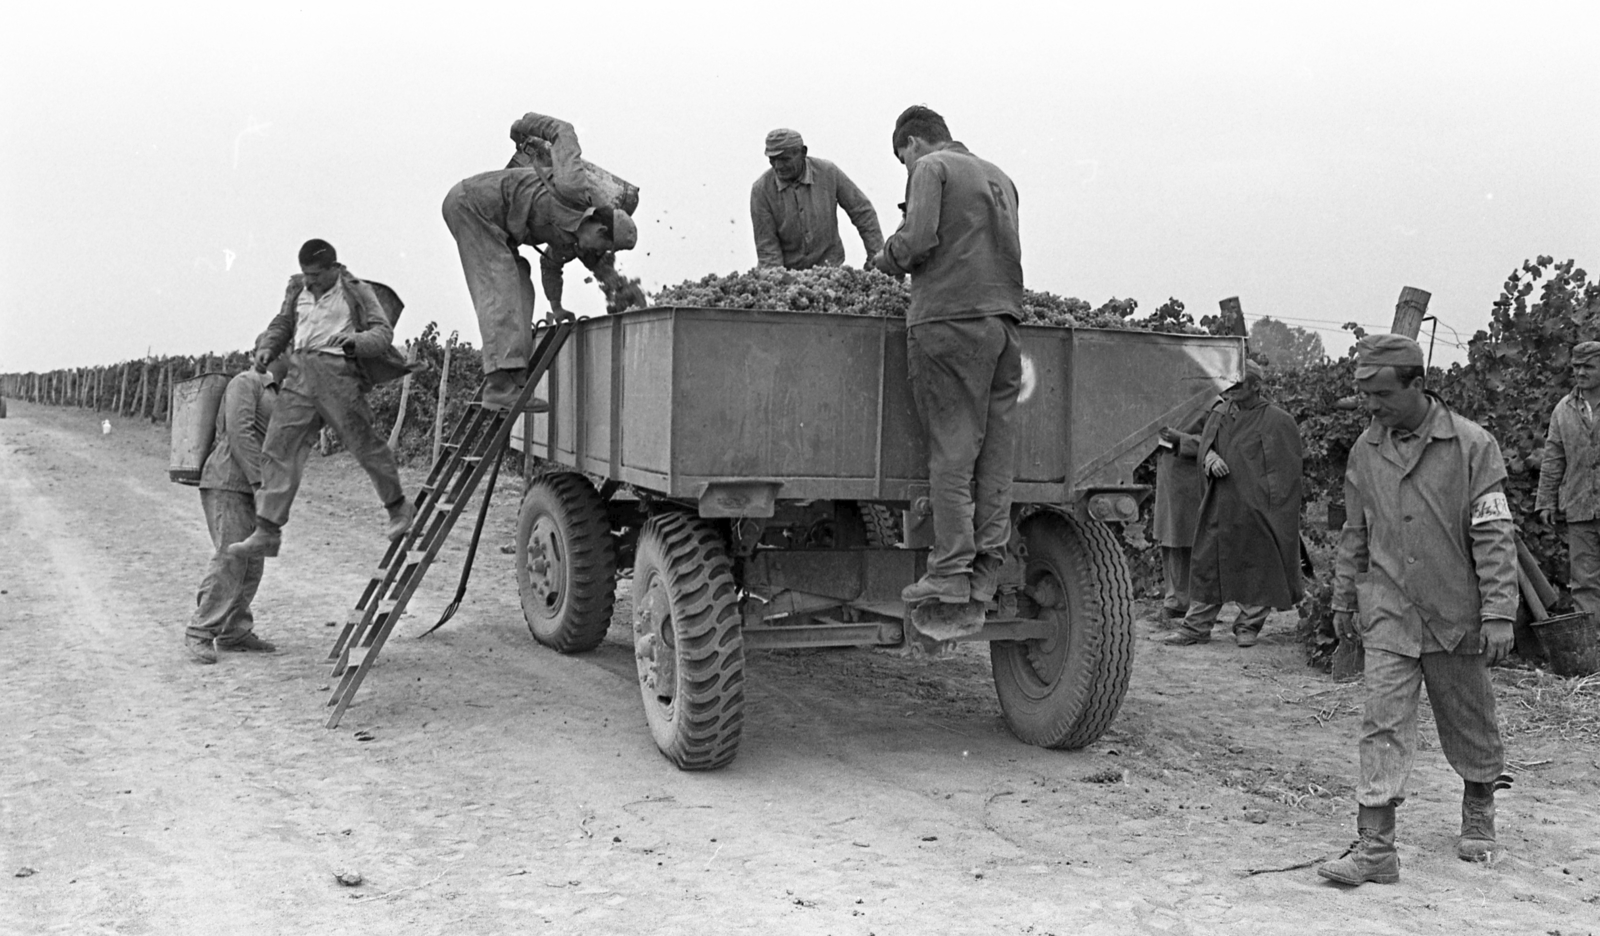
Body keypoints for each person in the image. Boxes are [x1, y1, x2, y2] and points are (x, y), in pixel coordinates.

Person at [1318, 334, 1517, 886]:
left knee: (1469, 720)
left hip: (1456, 614)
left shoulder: (1474, 446)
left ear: (1417, 384)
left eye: (1382, 394)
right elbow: (1356, 532)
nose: (1373, 407)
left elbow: (1495, 535)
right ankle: (1376, 846)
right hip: (1389, 613)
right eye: (1366, 397)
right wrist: (1342, 598)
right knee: (1381, 722)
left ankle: (1479, 809)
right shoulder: (1366, 449)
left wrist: (1499, 610)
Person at [868, 105, 1023, 610]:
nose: (906, 168)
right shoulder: (1000, 176)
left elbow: (919, 240)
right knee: (995, 455)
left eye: (902, 159)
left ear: (912, 143)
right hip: (1004, 325)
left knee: (953, 451)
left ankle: (950, 573)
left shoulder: (931, 169)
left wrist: (885, 258)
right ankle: (985, 573)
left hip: (949, 321)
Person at [442, 112, 640, 411]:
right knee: (502, 284)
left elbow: (550, 266)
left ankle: (514, 377)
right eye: (604, 247)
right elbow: (563, 130)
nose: (599, 256)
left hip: (501, 231)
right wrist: (523, 125)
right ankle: (499, 387)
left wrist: (557, 306)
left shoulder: (569, 241)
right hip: (473, 205)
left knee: (522, 287)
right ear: (600, 229)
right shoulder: (573, 188)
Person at [230, 239, 413, 559]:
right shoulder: (297, 290)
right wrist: (269, 347)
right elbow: (283, 324)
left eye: (315, 274)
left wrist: (356, 341)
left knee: (364, 444)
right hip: (300, 373)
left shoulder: (355, 291)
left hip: (337, 374)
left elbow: (382, 334)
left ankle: (398, 509)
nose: (309, 281)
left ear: (333, 268)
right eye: (305, 274)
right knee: (278, 446)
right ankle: (267, 531)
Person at [1166, 359, 1303, 647]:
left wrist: (1272, 508)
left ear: (1256, 386)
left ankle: (1248, 626)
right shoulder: (1219, 413)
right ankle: (1196, 627)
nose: (1233, 389)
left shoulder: (1279, 421)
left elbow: (1287, 472)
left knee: (1258, 565)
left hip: (1258, 510)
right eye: (1231, 383)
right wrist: (1210, 458)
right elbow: (1205, 446)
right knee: (1208, 564)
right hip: (1221, 504)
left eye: (1240, 384)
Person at [184, 360, 288, 663]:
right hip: (228, 481)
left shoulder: (277, 391)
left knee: (252, 562)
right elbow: (240, 434)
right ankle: (200, 630)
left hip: (254, 486)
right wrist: (259, 483)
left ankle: (234, 630)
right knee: (231, 558)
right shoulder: (245, 383)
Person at [751, 128, 884, 271]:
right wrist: (778, 281)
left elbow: (863, 213)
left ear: (803, 153)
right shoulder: (761, 191)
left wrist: (876, 258)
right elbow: (767, 247)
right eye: (773, 160)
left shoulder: (828, 173)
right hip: (787, 274)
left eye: (785, 159)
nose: (778, 166)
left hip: (830, 269)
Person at [1535, 340, 1600, 623]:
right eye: (1576, 367)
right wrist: (1546, 501)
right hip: (1580, 506)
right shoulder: (1563, 409)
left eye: (1589, 366)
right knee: (1584, 581)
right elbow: (1553, 458)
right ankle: (1592, 649)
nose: (1581, 372)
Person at [1153, 411, 1209, 620]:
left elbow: (1218, 442)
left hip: (1192, 481)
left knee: (1192, 539)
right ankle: (1174, 600)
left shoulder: (1213, 402)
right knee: (1170, 538)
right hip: (1168, 477)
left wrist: (1181, 440)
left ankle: (1196, 601)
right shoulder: (1171, 401)